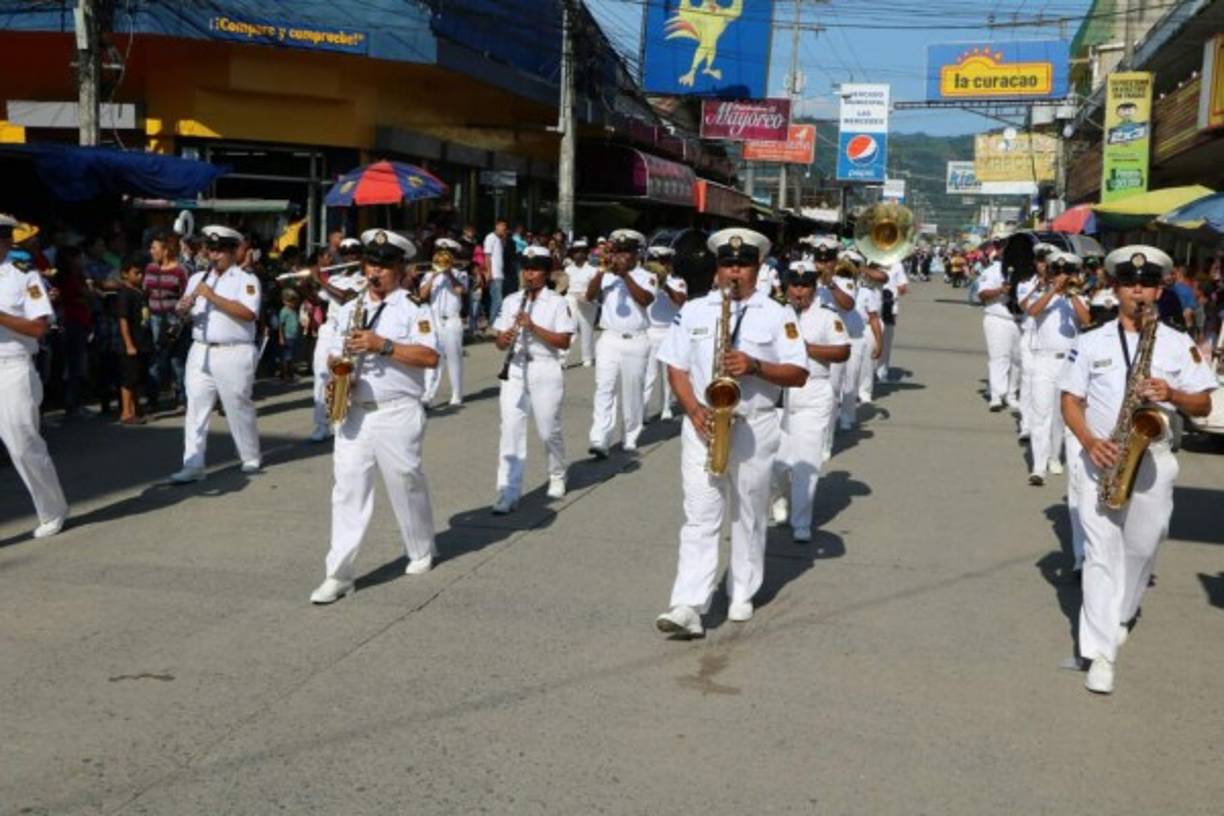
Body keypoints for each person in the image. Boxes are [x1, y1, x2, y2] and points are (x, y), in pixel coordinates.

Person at [1060, 245, 1216, 694]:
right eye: (1130, 284)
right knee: (1100, 555)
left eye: (1146, 284)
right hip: (1103, 457)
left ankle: (1122, 613)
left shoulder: (1176, 342)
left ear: (1159, 288)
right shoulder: (1091, 341)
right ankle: (1100, 652)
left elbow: (1203, 402)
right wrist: (1090, 442)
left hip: (1154, 457)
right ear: (1116, 288)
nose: (1138, 292)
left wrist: (1171, 392)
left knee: (1144, 547)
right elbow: (1070, 401)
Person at [654, 229, 808, 637]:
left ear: (758, 268)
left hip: (753, 425)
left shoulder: (778, 315)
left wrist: (756, 366)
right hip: (702, 423)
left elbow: (799, 372)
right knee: (700, 514)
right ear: (717, 267)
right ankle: (688, 603)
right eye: (726, 264)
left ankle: (742, 588)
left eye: (742, 264)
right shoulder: (695, 310)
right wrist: (692, 409)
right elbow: (675, 365)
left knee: (748, 512)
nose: (733, 271)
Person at [310, 230, 440, 604]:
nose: (375, 272)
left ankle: (420, 548)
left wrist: (382, 345)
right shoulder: (351, 308)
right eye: (371, 264)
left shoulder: (414, 307)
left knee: (405, 481)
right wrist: (339, 370)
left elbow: (430, 357)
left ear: (399, 269)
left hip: (396, 410)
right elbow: (335, 352)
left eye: (383, 266)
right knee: (347, 490)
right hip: (354, 412)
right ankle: (339, 574)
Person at [170, 225, 262, 483]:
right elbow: (185, 310)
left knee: (237, 406)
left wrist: (212, 296)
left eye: (220, 250)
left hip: (233, 350)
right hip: (200, 349)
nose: (214, 255)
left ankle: (249, 455)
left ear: (233, 251)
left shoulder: (246, 280)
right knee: (195, 408)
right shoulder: (197, 278)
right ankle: (193, 463)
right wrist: (182, 308)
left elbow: (249, 313)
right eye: (211, 249)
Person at [490, 246, 575, 513]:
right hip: (514, 369)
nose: (529, 274)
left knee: (548, 430)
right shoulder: (511, 300)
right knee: (510, 430)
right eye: (526, 268)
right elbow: (500, 340)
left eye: (535, 269)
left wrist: (533, 327)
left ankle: (558, 473)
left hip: (544, 368)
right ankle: (508, 491)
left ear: (546, 272)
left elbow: (563, 341)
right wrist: (502, 340)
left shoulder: (557, 302)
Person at [770, 260, 850, 542]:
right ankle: (779, 499)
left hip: (813, 390)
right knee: (776, 461)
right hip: (779, 392)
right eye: (794, 285)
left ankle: (801, 521)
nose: (799, 291)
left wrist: (806, 349)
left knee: (806, 461)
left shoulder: (827, 316)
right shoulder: (775, 313)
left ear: (814, 288)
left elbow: (842, 352)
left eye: (805, 286)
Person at [0, 215, 69, 538]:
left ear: (4, 242)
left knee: (23, 443)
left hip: (12, 366)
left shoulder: (24, 278)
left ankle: (52, 509)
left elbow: (39, 327)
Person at [585, 229, 657, 457]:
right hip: (609, 338)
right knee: (604, 389)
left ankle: (630, 436)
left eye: (627, 252)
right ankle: (600, 438)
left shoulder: (648, 276)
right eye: (619, 252)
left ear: (637, 255)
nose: (622, 256)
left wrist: (626, 276)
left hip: (636, 340)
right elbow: (589, 296)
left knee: (632, 391)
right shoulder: (607, 274)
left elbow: (645, 300)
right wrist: (601, 271)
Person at [1024, 252, 1090, 486]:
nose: (1062, 277)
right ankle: (1038, 467)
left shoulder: (1079, 297)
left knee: (1063, 415)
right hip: (1044, 360)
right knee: (1041, 413)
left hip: (1069, 363)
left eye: (1067, 273)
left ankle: (1056, 456)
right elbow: (1031, 312)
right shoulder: (1044, 295)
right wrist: (1053, 291)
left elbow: (1087, 320)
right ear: (1052, 274)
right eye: (1058, 273)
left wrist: (1071, 294)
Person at [309, 244, 363, 441]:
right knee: (321, 375)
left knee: (344, 375)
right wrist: (305, 285)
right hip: (329, 327)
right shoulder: (335, 277)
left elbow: (346, 298)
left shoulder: (363, 279)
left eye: (353, 254)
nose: (350, 258)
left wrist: (320, 281)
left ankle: (341, 420)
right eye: (346, 254)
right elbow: (319, 300)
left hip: (348, 330)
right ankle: (321, 425)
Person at [143, 231, 189, 411]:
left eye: (154, 248)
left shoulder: (180, 270)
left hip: (174, 319)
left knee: (177, 361)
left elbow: (186, 296)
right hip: (155, 319)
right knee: (156, 360)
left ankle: (182, 399)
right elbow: (145, 291)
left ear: (166, 250)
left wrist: (181, 319)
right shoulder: (149, 268)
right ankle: (152, 400)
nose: (151, 251)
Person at [420, 237, 468, 407]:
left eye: (447, 254)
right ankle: (428, 394)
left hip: (452, 321)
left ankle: (456, 393)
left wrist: (448, 274)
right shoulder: (428, 274)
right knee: (432, 358)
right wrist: (434, 275)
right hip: (433, 321)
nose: (443, 257)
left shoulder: (461, 274)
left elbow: (461, 290)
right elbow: (422, 295)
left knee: (454, 359)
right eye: (440, 253)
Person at [643, 245, 688, 421]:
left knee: (668, 374)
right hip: (650, 330)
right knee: (649, 374)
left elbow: (681, 301)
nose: (661, 266)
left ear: (670, 263)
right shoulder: (646, 280)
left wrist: (665, 286)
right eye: (657, 262)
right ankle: (644, 409)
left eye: (664, 262)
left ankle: (666, 407)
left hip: (670, 331)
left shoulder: (678, 281)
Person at [976, 252, 1021, 411]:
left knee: (1017, 360)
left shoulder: (1027, 272)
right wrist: (1000, 290)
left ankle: (1011, 395)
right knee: (999, 357)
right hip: (998, 319)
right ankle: (996, 395)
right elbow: (982, 294)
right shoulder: (993, 270)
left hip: (1020, 321)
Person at [116, 254, 153, 424]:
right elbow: (123, 319)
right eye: (136, 273)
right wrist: (129, 344)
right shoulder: (125, 294)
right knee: (129, 379)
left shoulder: (140, 292)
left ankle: (136, 409)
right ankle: (126, 412)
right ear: (125, 274)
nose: (141, 276)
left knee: (137, 378)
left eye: (142, 273)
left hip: (142, 340)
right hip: (131, 343)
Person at [563, 239, 598, 367]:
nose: (578, 254)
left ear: (586, 253)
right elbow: (563, 285)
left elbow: (596, 289)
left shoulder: (592, 270)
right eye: (576, 252)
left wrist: (588, 297)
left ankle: (587, 357)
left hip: (587, 300)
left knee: (586, 328)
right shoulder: (567, 269)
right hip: (571, 299)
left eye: (581, 252)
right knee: (569, 328)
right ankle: (562, 359)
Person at [877, 257, 909, 381]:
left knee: (885, 340)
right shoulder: (868, 261)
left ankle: (882, 373)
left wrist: (899, 289)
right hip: (870, 303)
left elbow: (903, 287)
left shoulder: (896, 264)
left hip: (889, 306)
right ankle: (870, 372)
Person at [483, 220, 508, 324]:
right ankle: (492, 323)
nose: (504, 229)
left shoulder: (500, 239)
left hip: (500, 273)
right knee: (497, 300)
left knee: (496, 299)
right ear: (497, 226)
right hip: (494, 274)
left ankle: (494, 322)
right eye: (502, 226)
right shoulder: (490, 237)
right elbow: (487, 256)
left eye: (505, 227)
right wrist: (489, 272)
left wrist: (504, 238)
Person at [278, 288, 301, 383]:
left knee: (291, 357)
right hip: (287, 337)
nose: (293, 304)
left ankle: (290, 374)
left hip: (294, 336)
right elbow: (281, 325)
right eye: (290, 302)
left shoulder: (294, 310)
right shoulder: (284, 311)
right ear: (284, 301)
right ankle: (285, 374)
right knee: (287, 357)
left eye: (294, 302)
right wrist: (281, 337)